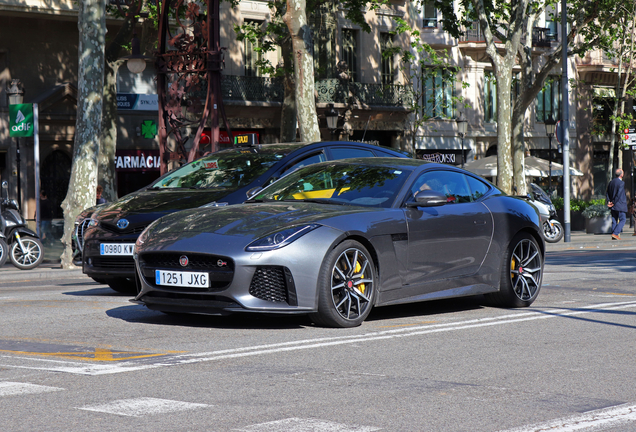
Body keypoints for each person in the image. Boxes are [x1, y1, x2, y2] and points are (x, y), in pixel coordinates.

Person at [606, 168, 627, 240]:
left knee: (614, 219)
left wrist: (609, 201)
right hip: (620, 205)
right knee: (623, 219)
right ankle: (615, 233)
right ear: (621, 174)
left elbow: (607, 193)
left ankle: (614, 235)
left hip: (613, 204)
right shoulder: (621, 183)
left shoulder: (611, 182)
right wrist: (613, 203)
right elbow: (619, 195)